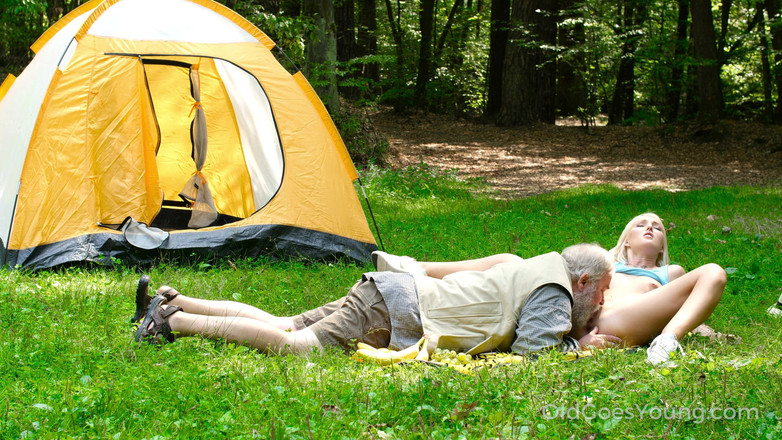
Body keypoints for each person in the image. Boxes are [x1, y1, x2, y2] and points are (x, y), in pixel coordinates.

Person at [132, 244, 619, 357]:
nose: (602, 302)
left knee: (283, 322)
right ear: (581, 282)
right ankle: (174, 321)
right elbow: (533, 354)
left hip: (390, 295)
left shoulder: (540, 264)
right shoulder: (555, 292)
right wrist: (581, 346)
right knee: (299, 345)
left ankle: (177, 299)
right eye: (601, 292)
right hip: (396, 308)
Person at [372, 213, 727, 366]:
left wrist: (693, 326)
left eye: (658, 227)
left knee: (713, 270)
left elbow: (687, 299)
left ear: (664, 243)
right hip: (574, 310)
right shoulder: (604, 260)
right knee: (510, 259)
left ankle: (667, 342)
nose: (650, 227)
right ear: (626, 237)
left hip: (616, 317)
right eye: (641, 224)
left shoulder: (671, 271)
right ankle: (417, 269)